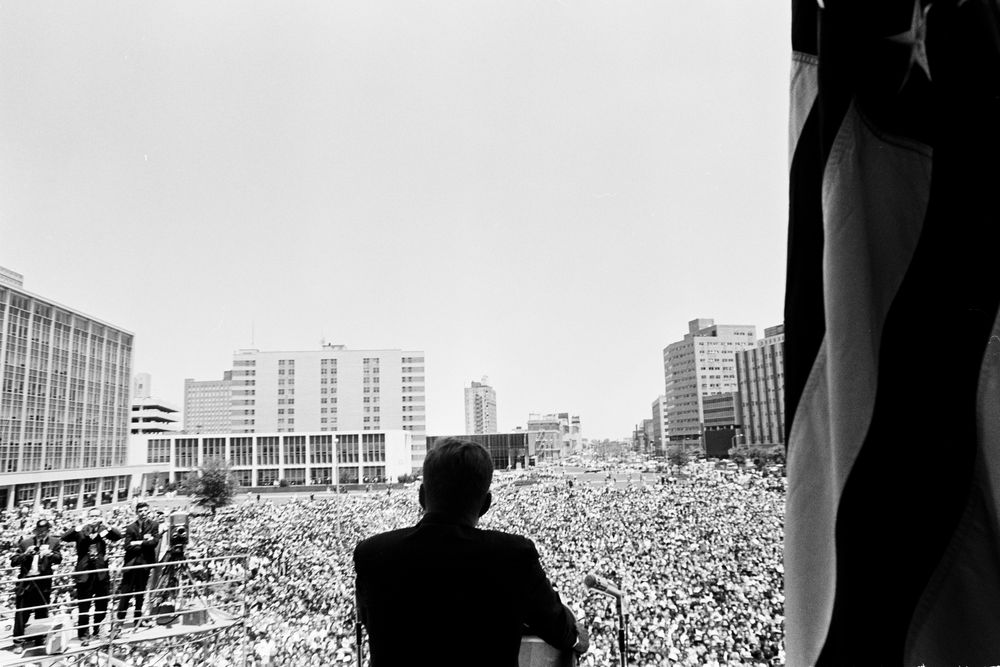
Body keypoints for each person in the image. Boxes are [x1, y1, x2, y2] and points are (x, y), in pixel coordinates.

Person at [354, 438, 589, 667]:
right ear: (486, 504)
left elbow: (370, 620)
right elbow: (561, 630)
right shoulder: (513, 556)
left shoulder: (372, 554)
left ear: (422, 496)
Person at [62, 508, 123, 645]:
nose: (94, 518)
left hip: (101, 573)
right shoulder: (81, 530)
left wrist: (107, 525)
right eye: (92, 516)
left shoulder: (104, 530)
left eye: (97, 516)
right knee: (84, 605)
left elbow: (118, 536)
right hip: (85, 573)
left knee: (102, 603)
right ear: (88, 517)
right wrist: (80, 525)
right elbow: (65, 537)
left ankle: (97, 630)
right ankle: (83, 634)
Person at [10, 519, 63, 655]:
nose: (41, 534)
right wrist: (25, 554)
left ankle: (39, 639)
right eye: (38, 531)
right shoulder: (26, 542)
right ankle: (18, 642)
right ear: (35, 531)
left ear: (48, 531)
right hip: (26, 583)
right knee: (22, 613)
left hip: (43, 583)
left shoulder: (54, 542)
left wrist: (50, 554)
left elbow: (59, 558)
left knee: (41, 613)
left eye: (44, 532)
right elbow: (13, 561)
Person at [117, 502, 162, 629]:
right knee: (126, 593)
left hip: (145, 565)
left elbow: (154, 543)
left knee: (140, 593)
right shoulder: (131, 527)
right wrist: (144, 543)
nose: (143, 513)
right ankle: (119, 621)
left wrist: (138, 543)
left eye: (145, 511)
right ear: (137, 513)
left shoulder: (154, 525)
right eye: (140, 511)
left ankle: (138, 620)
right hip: (131, 565)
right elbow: (127, 546)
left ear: (148, 512)